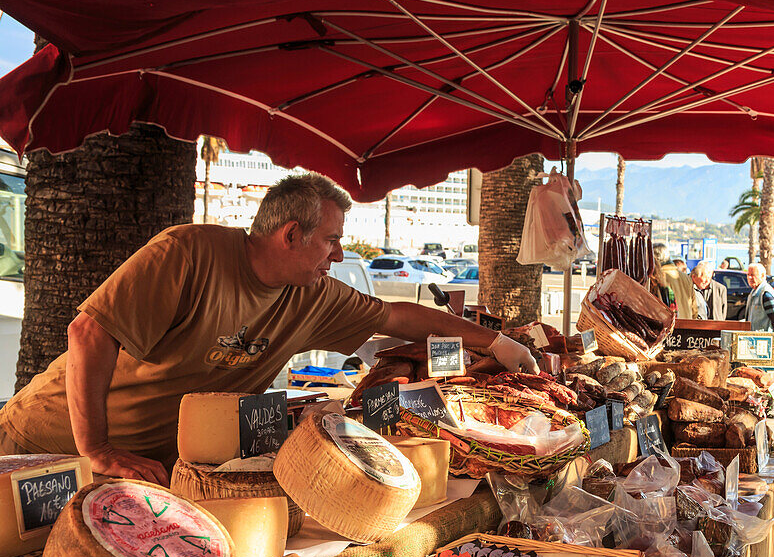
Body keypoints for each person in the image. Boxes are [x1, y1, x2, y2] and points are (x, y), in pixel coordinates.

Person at [0, 172, 537, 484]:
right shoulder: (187, 253)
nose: (340, 253)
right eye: (331, 240)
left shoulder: (313, 295)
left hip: (147, 471)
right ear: (291, 234)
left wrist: (496, 341)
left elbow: (397, 315)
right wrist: (95, 448)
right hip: (43, 450)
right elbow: (89, 334)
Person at [653, 243, 697, 319]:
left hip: (670, 327)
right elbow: (694, 310)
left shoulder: (656, 278)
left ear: (654, 259)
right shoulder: (686, 278)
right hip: (687, 324)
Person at [744, 263, 774, 332]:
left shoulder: (766, 293)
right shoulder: (753, 292)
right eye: (748, 275)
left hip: (764, 339)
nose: (749, 278)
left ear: (762, 276)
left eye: (753, 275)